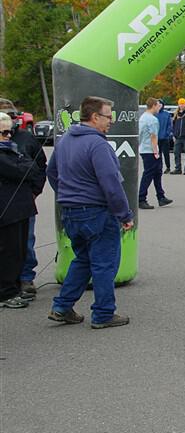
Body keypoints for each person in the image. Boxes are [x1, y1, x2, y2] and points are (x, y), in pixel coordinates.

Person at [46, 96, 133, 328]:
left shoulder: (64, 140)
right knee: (104, 263)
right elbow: (111, 183)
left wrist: (68, 195)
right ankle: (103, 313)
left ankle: (62, 306)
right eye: (108, 116)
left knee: (83, 259)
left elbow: (52, 173)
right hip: (97, 213)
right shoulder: (98, 144)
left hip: (71, 211)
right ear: (95, 117)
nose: (111, 121)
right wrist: (124, 214)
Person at [0, 112, 44, 308]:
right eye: (3, 133)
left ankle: (17, 286)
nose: (8, 137)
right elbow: (22, 169)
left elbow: (35, 166)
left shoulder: (18, 145)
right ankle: (7, 292)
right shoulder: (5, 154)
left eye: (10, 132)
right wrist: (23, 163)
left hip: (21, 207)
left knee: (19, 250)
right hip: (7, 209)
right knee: (9, 251)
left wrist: (35, 188)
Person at [10, 112, 47, 298]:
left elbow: (41, 166)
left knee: (25, 241)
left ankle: (25, 278)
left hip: (23, 200)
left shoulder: (26, 139)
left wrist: (34, 191)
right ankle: (7, 282)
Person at [138, 97, 172, 210]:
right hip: (150, 150)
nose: (160, 107)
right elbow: (153, 136)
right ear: (153, 106)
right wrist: (156, 151)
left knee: (157, 172)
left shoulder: (143, 117)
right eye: (158, 105)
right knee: (148, 173)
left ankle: (161, 196)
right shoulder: (152, 120)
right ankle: (141, 198)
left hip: (144, 148)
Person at [155, 99, 173, 173]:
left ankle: (168, 167)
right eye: (157, 105)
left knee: (166, 153)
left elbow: (170, 125)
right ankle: (159, 167)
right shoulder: (154, 114)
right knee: (158, 154)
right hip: (156, 138)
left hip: (165, 138)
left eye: (160, 104)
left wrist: (167, 133)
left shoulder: (166, 114)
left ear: (162, 105)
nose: (159, 106)